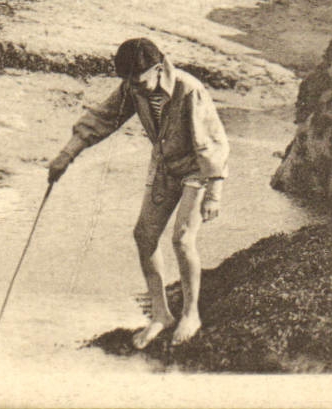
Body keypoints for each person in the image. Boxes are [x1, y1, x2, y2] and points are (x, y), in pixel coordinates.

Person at [48, 38, 227, 349]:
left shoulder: (189, 90)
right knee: (144, 236)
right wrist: (67, 154)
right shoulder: (134, 87)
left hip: (197, 170)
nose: (135, 88)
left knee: (182, 239)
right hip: (164, 167)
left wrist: (214, 192)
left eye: (140, 81)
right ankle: (161, 315)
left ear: (158, 69)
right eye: (129, 82)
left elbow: (210, 144)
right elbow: (103, 118)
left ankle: (191, 314)